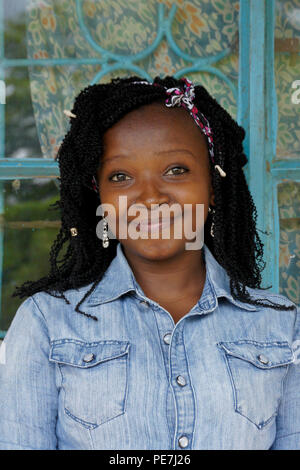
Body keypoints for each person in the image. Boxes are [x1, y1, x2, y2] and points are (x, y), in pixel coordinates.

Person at [0, 75, 299, 450]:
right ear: (102, 198)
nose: (150, 197)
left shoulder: (283, 325)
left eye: (176, 170)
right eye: (121, 176)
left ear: (212, 185)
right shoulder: (46, 322)